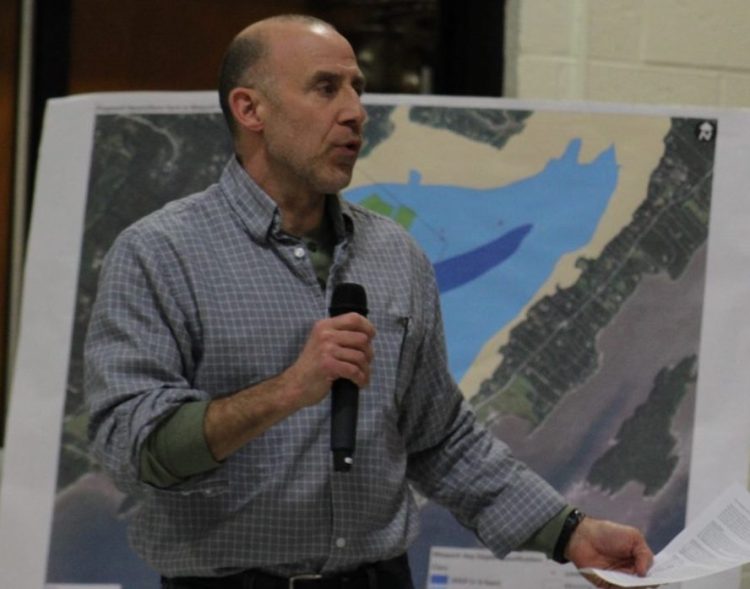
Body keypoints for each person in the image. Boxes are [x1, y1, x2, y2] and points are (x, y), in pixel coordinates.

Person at [85, 13, 654, 589]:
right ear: (250, 109)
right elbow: (134, 448)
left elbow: (441, 437)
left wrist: (569, 532)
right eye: (326, 88)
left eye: (358, 88)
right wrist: (288, 391)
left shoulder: (394, 255)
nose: (356, 111)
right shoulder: (161, 253)